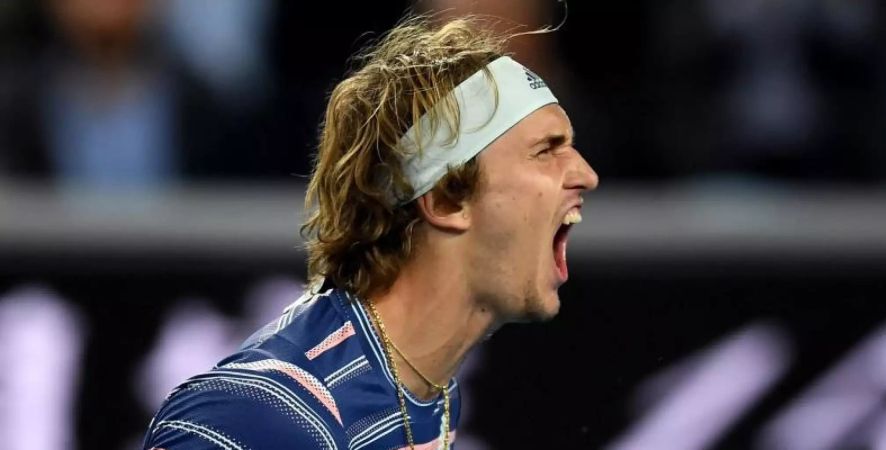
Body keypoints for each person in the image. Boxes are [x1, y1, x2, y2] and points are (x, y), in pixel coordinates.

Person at [143, 12, 598, 450]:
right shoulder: (262, 415)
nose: (585, 174)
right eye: (546, 150)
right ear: (444, 199)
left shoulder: (429, 396)